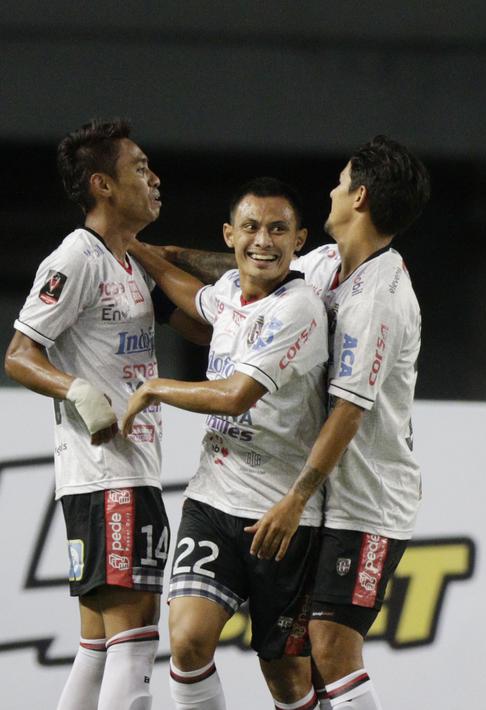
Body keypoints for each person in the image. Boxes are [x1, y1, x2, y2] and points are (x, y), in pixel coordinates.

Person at [121, 177, 329, 710]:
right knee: (188, 641)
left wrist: (155, 388)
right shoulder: (232, 290)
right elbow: (194, 296)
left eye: (278, 229)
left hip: (280, 516)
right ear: (229, 235)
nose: (264, 240)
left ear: (299, 240)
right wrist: (135, 248)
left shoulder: (299, 308)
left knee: (286, 677)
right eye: (251, 227)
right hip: (212, 502)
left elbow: (236, 396)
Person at [244, 135, 431, 710]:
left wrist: (295, 498)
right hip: (328, 499)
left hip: (366, 503)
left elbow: (349, 410)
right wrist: (158, 257)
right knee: (287, 657)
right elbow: (250, 274)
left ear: (360, 197)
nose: (331, 190)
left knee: (331, 645)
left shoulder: (379, 298)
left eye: (341, 181)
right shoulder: (326, 263)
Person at [5, 118, 169, 710]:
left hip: (127, 470)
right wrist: (78, 391)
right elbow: (19, 354)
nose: (154, 179)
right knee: (135, 638)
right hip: (107, 474)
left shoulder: (129, 261)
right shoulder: (77, 256)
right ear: (103, 185)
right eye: (140, 169)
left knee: (99, 647)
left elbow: (200, 316)